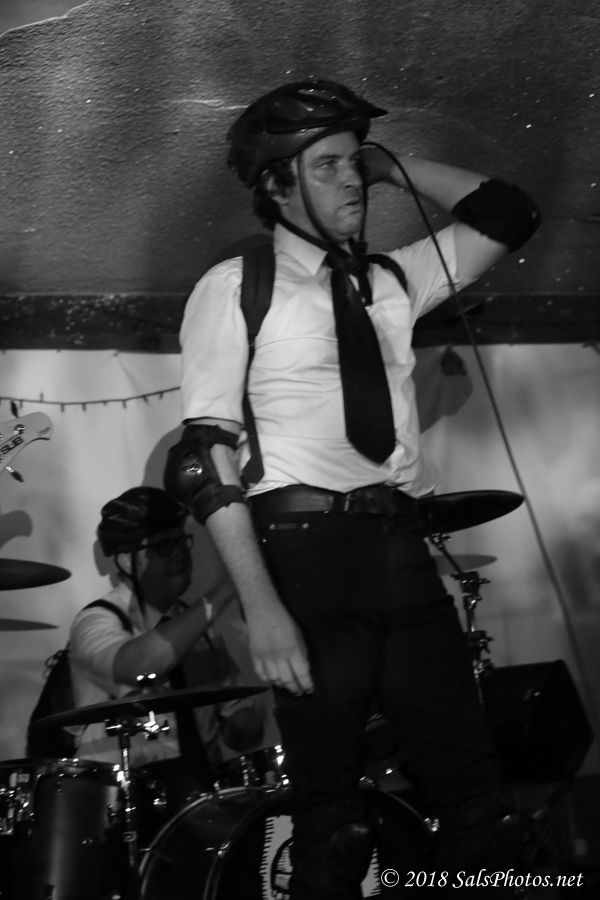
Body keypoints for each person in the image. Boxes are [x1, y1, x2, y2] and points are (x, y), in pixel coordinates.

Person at [164, 80, 540, 898]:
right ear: (276, 183)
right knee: (334, 819)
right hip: (305, 552)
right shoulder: (236, 285)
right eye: (326, 165)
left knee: (476, 797)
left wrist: (391, 168)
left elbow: (510, 215)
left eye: (352, 162)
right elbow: (201, 459)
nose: (349, 180)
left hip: (400, 542)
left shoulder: (394, 279)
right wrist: (262, 607)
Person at [68, 486, 264, 815]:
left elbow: (237, 722)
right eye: (163, 546)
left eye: (182, 541)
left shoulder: (195, 622)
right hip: (120, 806)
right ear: (126, 560)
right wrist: (225, 589)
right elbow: (136, 665)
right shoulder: (96, 620)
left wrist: (248, 721)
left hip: (200, 799)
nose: (181, 555)